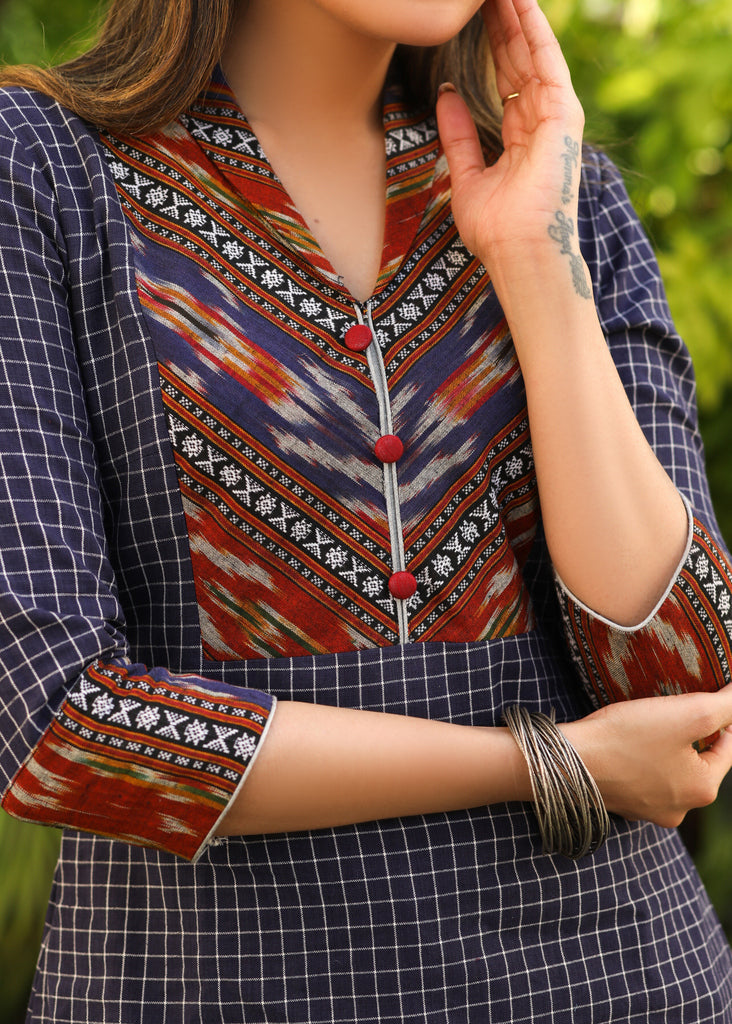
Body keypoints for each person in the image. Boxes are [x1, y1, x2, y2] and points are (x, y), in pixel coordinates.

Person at [1, 0, 732, 1019]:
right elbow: (57, 729)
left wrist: (536, 266)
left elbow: (682, 681)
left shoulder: (560, 187)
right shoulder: (40, 174)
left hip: (620, 983)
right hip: (217, 989)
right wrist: (546, 761)